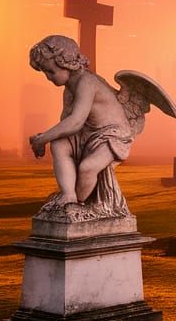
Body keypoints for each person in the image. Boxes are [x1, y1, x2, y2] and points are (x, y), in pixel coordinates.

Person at [28, 35, 134, 206]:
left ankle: (78, 204)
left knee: (87, 168)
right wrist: (46, 137)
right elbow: (66, 124)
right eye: (45, 72)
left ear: (66, 63)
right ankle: (68, 195)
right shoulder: (69, 88)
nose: (48, 77)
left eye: (50, 71)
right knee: (59, 144)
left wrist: (42, 139)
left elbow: (75, 122)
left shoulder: (87, 82)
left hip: (112, 136)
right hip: (87, 133)